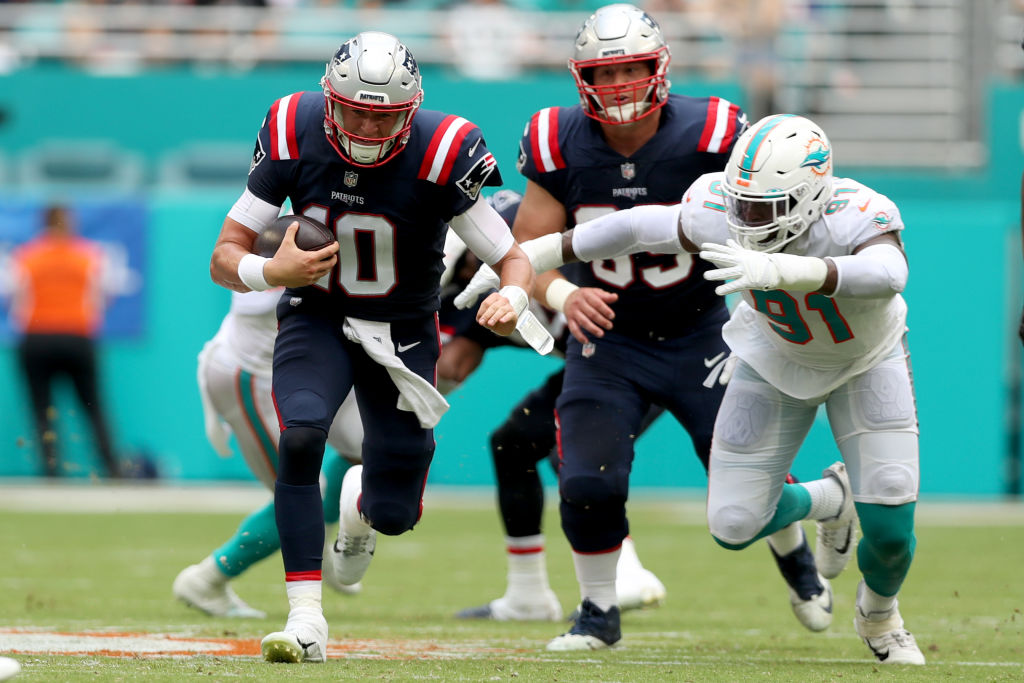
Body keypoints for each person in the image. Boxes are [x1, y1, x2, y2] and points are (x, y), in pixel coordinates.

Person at [499, 113, 923, 664]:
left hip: (867, 361)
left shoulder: (857, 212)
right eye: (740, 203)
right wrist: (534, 255)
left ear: (811, 196)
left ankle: (881, 616)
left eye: (763, 208)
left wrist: (786, 271)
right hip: (772, 359)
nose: (746, 218)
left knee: (890, 529)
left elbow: (890, 273)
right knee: (733, 523)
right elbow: (634, 228)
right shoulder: (720, 203)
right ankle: (832, 501)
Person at [470, 4, 831, 650]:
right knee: (586, 478)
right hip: (609, 341)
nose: (620, 86)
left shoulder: (714, 130)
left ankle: (798, 561)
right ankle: (598, 612)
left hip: (703, 334)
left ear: (658, 67)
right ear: (583, 80)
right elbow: (526, 249)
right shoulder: (557, 138)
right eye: (605, 74)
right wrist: (559, 292)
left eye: (632, 68)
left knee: (747, 482)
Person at [208, 31, 534, 664]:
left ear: (408, 113)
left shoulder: (443, 152)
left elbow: (512, 257)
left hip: (405, 330)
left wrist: (514, 298)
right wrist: (272, 273)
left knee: (392, 512)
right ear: (329, 99)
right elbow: (224, 256)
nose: (362, 123)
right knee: (300, 437)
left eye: (381, 115)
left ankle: (360, 512)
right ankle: (306, 618)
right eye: (353, 108)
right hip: (318, 314)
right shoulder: (292, 125)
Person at [442, 190, 669, 622]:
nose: (480, 270)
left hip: (645, 358)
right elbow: (453, 363)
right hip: (598, 368)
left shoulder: (564, 257)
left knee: (576, 451)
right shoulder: (481, 292)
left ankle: (629, 572)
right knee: (514, 444)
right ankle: (528, 594)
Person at [172, 288, 365, 619]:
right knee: (304, 489)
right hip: (253, 375)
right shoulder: (291, 248)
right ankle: (206, 579)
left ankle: (320, 542)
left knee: (369, 446)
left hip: (305, 366)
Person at [9, 205, 121, 478]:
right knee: (93, 406)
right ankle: (111, 469)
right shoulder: (89, 255)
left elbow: (13, 295)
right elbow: (106, 294)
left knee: (41, 408)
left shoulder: (25, 256)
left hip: (36, 338)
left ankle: (50, 470)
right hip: (77, 336)